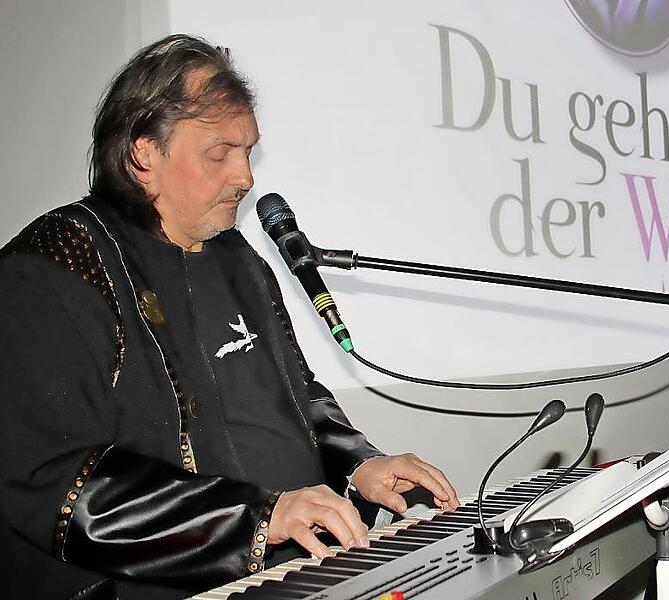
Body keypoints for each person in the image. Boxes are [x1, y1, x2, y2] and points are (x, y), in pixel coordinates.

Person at [0, 34, 458, 600]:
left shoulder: (240, 260)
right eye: (220, 153)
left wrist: (358, 463)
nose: (245, 177)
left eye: (248, 152)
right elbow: (51, 479)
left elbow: (297, 396)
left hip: (294, 573)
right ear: (144, 155)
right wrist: (256, 519)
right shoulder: (55, 265)